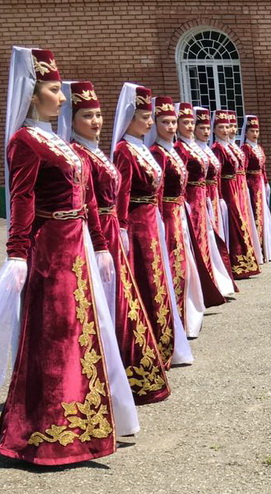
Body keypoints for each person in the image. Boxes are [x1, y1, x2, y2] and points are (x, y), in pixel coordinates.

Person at [0, 48, 138, 465]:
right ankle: (48, 433)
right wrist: (17, 253)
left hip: (75, 245)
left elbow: (88, 199)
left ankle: (87, 419)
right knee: (55, 337)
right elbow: (21, 199)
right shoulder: (24, 142)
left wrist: (98, 243)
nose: (61, 98)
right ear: (31, 94)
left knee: (83, 332)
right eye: (52, 90)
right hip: (50, 254)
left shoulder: (55, 141)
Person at [60, 80, 170, 405]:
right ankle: (111, 373)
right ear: (72, 119)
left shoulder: (96, 152)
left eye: (98, 115)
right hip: (99, 231)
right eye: (87, 116)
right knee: (110, 301)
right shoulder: (80, 153)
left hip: (110, 228)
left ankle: (127, 368)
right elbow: (95, 201)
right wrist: (114, 229)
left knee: (122, 300)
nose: (95, 122)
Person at [112, 83, 194, 368]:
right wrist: (122, 227)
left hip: (153, 221)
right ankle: (150, 343)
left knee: (162, 279)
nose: (149, 122)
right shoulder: (124, 151)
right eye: (145, 117)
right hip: (137, 226)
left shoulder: (141, 149)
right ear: (129, 118)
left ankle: (166, 338)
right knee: (148, 282)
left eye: (150, 117)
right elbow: (121, 192)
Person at [148, 96, 206, 338]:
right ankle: (176, 318)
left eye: (173, 122)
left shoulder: (171, 150)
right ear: (155, 124)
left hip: (179, 212)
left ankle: (187, 315)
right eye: (166, 122)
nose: (171, 127)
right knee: (175, 265)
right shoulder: (156, 152)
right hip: (167, 216)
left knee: (185, 264)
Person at [176, 102, 234, 302]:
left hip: (204, 197)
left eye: (194, 123)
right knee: (199, 241)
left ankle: (215, 281)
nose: (191, 127)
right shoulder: (179, 148)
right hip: (192, 200)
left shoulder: (195, 147)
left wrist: (214, 196)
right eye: (187, 123)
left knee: (209, 238)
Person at [211, 110, 261, 279]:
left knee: (241, 222)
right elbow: (217, 174)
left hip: (236, 186)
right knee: (235, 224)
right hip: (227, 188)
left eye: (229, 126)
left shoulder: (229, 147)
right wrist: (219, 195)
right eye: (222, 127)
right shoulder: (217, 149)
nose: (226, 130)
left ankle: (245, 260)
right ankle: (236, 261)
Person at [240, 115, 271, 262]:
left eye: (257, 131)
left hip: (260, 183)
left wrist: (266, 182)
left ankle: (267, 247)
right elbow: (243, 169)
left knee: (263, 214)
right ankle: (258, 248)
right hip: (251, 184)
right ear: (246, 132)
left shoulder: (258, 148)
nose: (255, 134)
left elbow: (263, 168)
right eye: (252, 131)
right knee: (256, 215)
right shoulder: (246, 149)